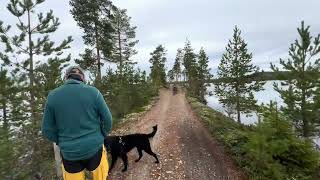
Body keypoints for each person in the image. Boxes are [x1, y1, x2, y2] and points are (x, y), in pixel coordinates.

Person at [42, 66, 112, 180]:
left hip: (69, 153)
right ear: (82, 78)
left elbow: (46, 130)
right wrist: (101, 135)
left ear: (66, 78)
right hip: (94, 148)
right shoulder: (94, 92)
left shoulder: (53, 96)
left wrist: (61, 141)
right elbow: (108, 120)